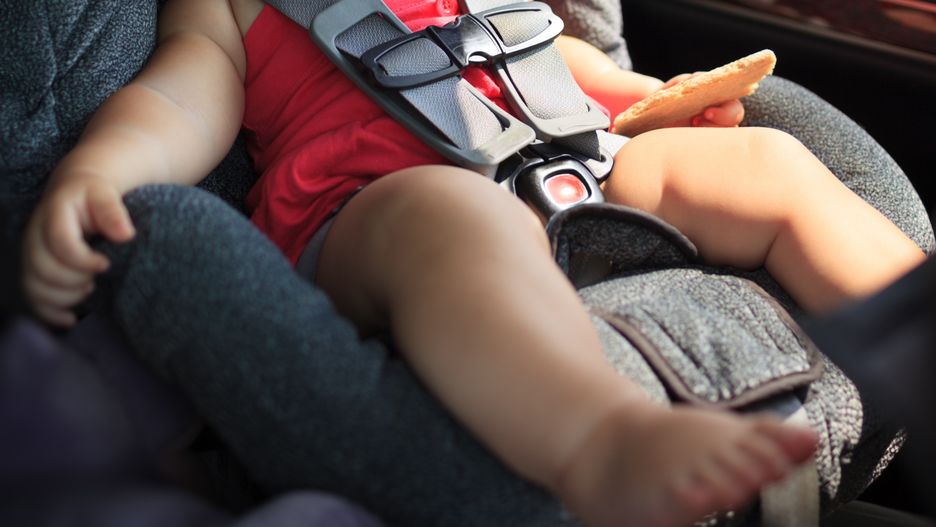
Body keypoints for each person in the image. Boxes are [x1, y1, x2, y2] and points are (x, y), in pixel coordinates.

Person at [18, 0, 926, 526]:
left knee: (764, 163)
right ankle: (602, 441)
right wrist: (100, 170)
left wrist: (650, 100)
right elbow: (179, 99)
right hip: (374, 205)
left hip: (566, 161)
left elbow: (544, 52)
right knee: (455, 216)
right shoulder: (232, 8)